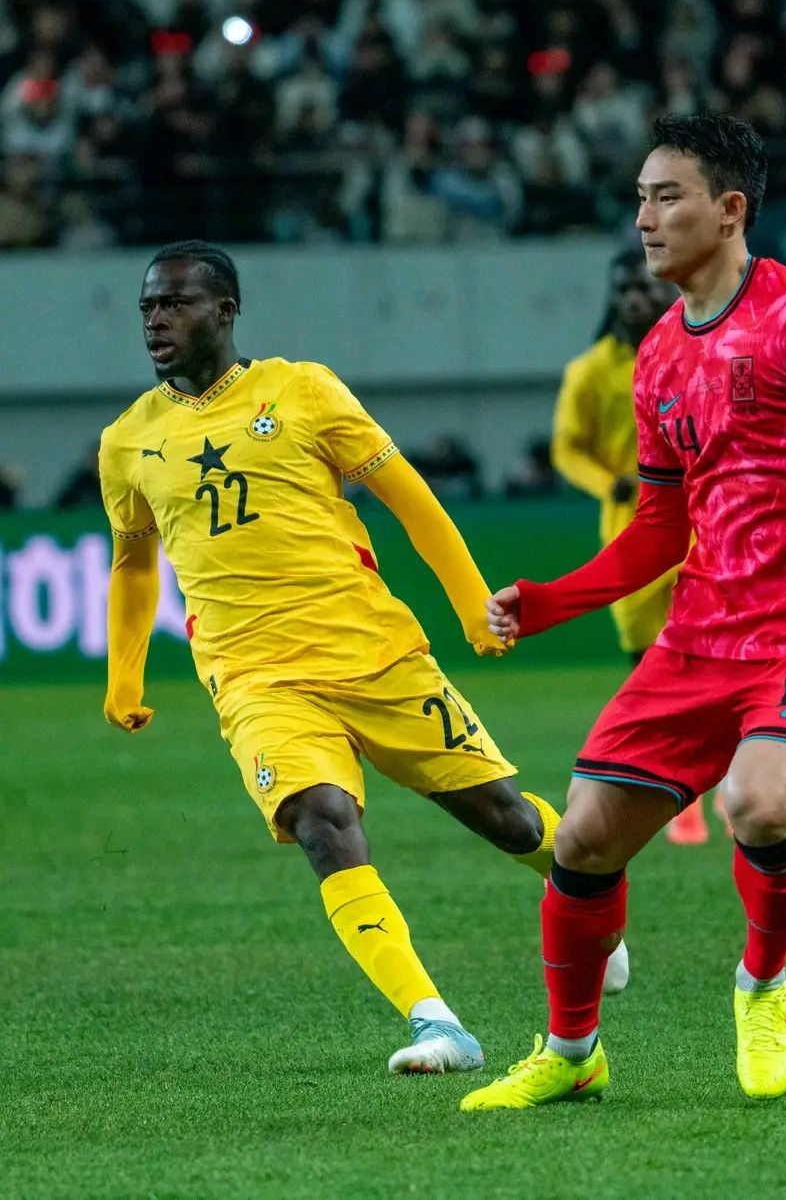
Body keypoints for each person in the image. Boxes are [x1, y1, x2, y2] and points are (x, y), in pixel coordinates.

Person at [461, 113, 786, 1111]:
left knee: (758, 803)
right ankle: (572, 1050)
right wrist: (549, 605)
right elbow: (657, 533)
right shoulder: (659, 361)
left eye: (664, 196)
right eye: (637, 196)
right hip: (695, 637)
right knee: (584, 836)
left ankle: (762, 988)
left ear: (729, 210)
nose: (643, 217)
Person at [99, 240, 628, 1078]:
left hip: (373, 653)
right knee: (321, 822)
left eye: (174, 303)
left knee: (507, 819)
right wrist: (123, 674)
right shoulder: (127, 441)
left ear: (226, 310)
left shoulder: (303, 390)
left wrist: (470, 603)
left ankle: (586, 905)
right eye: (146, 308)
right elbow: (133, 561)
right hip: (255, 678)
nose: (156, 320)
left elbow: (410, 499)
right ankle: (437, 1023)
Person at [551, 248, 723, 846]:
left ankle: (723, 782)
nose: (634, 297)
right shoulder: (589, 372)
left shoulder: (701, 349)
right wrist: (610, 485)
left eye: (642, 286)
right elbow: (567, 450)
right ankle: (682, 796)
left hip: (705, 522)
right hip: (632, 528)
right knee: (650, 666)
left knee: (717, 653)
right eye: (622, 286)